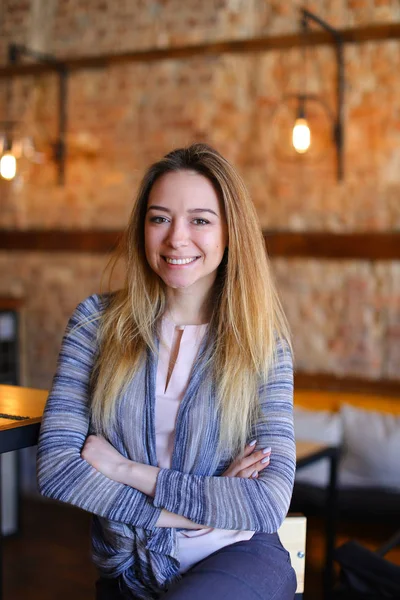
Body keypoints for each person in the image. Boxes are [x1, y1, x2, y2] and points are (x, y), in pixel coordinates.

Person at [37, 143, 296, 600]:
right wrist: (195, 511)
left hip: (238, 555)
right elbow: (59, 468)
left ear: (230, 232)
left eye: (200, 220)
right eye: (160, 218)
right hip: (128, 566)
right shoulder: (94, 324)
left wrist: (123, 469)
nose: (176, 238)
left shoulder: (262, 344)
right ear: (142, 230)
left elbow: (266, 503)